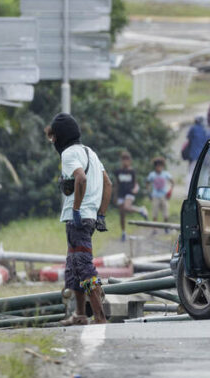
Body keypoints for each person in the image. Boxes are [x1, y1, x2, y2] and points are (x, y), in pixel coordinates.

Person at [49, 113, 113, 325]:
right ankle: (80, 315)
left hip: (78, 219)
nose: (53, 141)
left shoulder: (68, 154)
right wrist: (101, 214)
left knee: (84, 267)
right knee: (73, 267)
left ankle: (99, 317)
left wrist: (76, 209)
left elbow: (81, 178)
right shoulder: (90, 152)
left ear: (60, 136)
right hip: (89, 218)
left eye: (53, 137)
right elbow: (108, 183)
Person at [115, 151, 149, 241]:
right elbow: (117, 184)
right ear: (121, 161)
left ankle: (141, 210)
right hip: (121, 194)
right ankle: (123, 232)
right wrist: (116, 196)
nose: (125, 162)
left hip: (129, 193)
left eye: (127, 160)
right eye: (123, 160)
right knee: (122, 214)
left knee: (126, 207)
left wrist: (136, 188)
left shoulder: (132, 171)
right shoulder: (118, 172)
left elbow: (135, 183)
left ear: (130, 161)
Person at [146, 158, 175, 227]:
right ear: (155, 166)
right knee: (154, 213)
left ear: (163, 166)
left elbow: (173, 182)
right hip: (155, 196)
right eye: (157, 166)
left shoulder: (165, 174)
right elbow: (147, 183)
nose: (159, 167)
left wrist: (170, 191)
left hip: (164, 196)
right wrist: (149, 193)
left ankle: (166, 227)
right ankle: (155, 228)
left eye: (160, 166)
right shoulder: (152, 175)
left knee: (165, 213)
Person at [184, 115, 210, 182]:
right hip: (205, 155)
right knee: (206, 172)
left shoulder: (193, 128)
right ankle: (205, 189)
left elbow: (188, 138)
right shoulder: (207, 130)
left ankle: (188, 190)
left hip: (194, 155)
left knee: (191, 173)